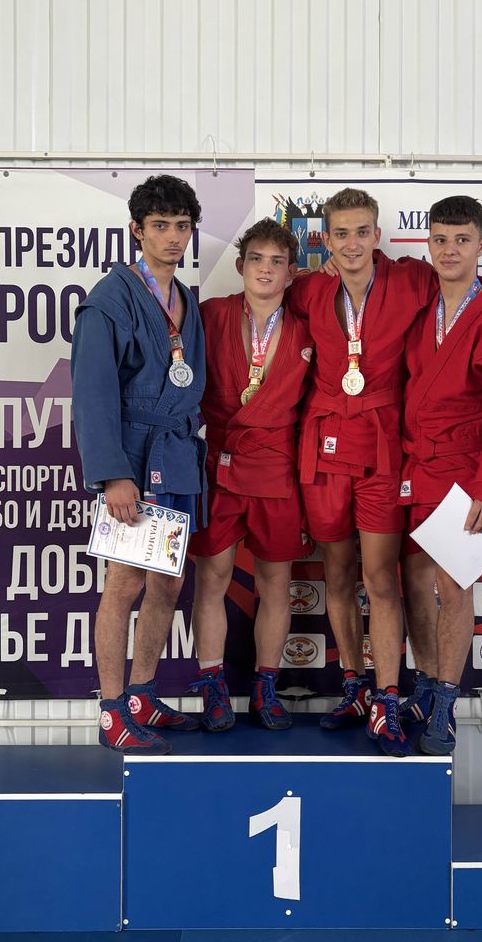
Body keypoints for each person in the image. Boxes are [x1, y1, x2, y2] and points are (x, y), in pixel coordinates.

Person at [288, 187, 437, 757]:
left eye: (361, 232)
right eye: (341, 234)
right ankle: (353, 685)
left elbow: (466, 291)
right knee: (337, 574)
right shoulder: (308, 289)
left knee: (380, 578)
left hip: (381, 448)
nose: (352, 244)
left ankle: (387, 697)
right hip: (325, 447)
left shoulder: (411, 280)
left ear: (377, 235)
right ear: (325, 239)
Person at [71, 174, 206, 755]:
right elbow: (92, 395)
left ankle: (143, 695)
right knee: (124, 583)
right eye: (160, 225)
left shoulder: (185, 299)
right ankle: (110, 709)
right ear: (136, 230)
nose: (173, 236)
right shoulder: (109, 300)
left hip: (175, 454)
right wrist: (113, 475)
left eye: (182, 226)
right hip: (132, 458)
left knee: (168, 582)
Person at [398, 195, 482, 756]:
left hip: (465, 474)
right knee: (411, 580)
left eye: (461, 240)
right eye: (440, 239)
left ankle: (447, 704)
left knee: (453, 586)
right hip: (416, 467)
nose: (449, 250)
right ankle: (426, 686)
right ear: (428, 243)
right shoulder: (422, 307)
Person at [189, 218, 313, 731]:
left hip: (278, 469)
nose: (265, 269)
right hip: (220, 464)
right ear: (240, 265)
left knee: (276, 584)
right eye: (257, 259)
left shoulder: (307, 329)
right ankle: (213, 687)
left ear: (291, 273)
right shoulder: (211, 314)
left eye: (277, 261)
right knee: (212, 578)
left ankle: (266, 687)